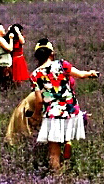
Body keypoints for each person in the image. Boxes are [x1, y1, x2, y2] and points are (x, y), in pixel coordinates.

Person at [30, 39, 99, 173]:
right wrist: (90, 73)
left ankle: (58, 177)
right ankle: (67, 142)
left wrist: (36, 115)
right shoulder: (62, 64)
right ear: (51, 53)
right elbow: (80, 75)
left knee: (53, 150)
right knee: (65, 132)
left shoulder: (35, 75)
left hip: (53, 113)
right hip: (71, 109)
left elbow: (38, 100)